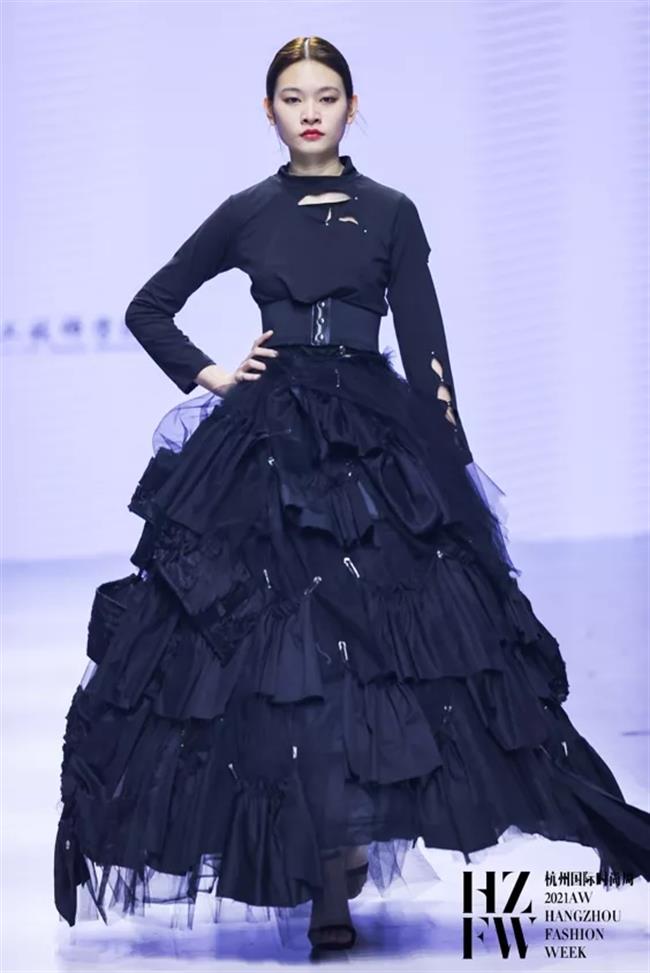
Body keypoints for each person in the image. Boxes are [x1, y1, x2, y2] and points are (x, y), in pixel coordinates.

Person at [53, 35, 650, 956]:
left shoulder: (392, 212)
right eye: (293, 97)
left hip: (374, 438)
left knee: (379, 654)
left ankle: (348, 839)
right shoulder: (247, 212)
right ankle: (329, 865)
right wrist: (212, 374)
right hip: (267, 447)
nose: (310, 111)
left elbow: (428, 346)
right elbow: (149, 306)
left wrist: (449, 472)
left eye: (326, 95)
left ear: (351, 105)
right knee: (284, 659)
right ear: (270, 112)